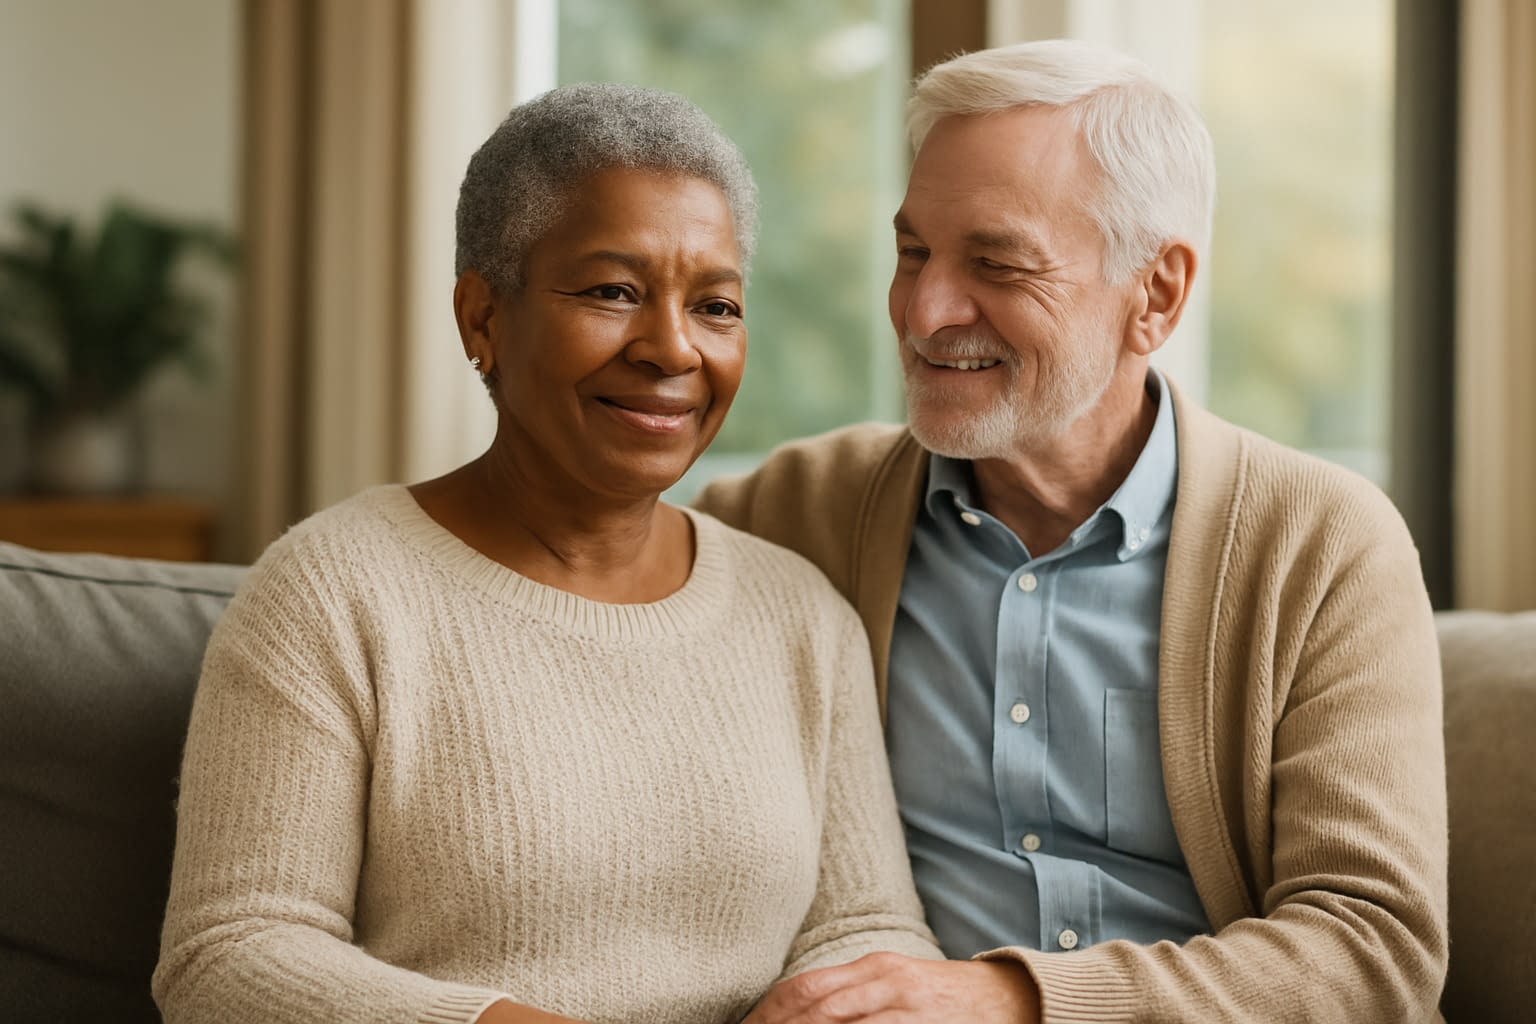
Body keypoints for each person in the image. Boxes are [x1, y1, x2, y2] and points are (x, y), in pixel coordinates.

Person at [152, 83, 940, 1024]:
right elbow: (229, 956)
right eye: (612, 292)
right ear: (482, 319)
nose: (672, 348)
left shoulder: (801, 613)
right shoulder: (331, 593)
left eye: (716, 305)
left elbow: (867, 928)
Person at [698, 39, 1448, 1024]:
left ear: (1156, 295)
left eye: (998, 263)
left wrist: (1014, 1000)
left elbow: (1375, 950)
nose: (924, 311)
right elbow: (575, 577)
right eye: (914, 252)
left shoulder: (1323, 546)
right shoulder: (801, 510)